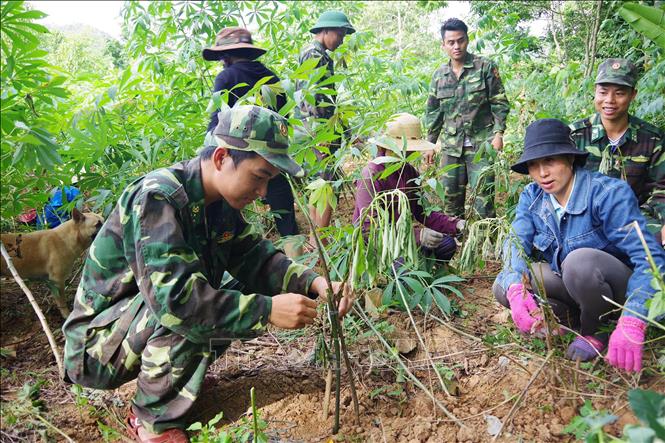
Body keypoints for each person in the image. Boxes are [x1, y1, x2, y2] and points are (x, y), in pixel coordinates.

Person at [62, 106, 353, 443]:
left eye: (269, 181)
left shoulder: (221, 203)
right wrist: (268, 310)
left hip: (132, 328)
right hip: (96, 348)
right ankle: (152, 421)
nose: (262, 193)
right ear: (220, 158)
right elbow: (177, 304)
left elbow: (255, 258)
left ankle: (178, 377)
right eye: (259, 177)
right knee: (190, 305)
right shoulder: (158, 198)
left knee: (235, 290)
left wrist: (316, 283)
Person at [493, 118, 665, 373]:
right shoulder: (533, 197)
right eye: (533, 165)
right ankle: (566, 318)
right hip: (571, 282)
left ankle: (597, 329)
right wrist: (516, 290)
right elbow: (516, 243)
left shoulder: (607, 194)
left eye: (550, 161)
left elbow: (650, 259)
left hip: (616, 288)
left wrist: (634, 318)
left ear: (570, 159)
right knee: (504, 285)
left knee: (579, 263)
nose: (542, 173)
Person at [202, 27, 300, 254]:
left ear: (225, 56)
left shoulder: (226, 77)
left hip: (238, 158)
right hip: (272, 158)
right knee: (286, 221)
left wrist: (207, 157)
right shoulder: (271, 77)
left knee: (228, 220)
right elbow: (283, 118)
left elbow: (218, 121)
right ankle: (298, 265)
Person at [569, 58, 664, 245]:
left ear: (633, 95)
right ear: (595, 92)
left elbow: (661, 190)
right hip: (583, 221)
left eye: (619, 93)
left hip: (635, 221)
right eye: (603, 92)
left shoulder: (652, 139)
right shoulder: (574, 136)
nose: (609, 101)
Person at [425, 18, 509, 219]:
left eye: (460, 40)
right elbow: (434, 112)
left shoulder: (485, 67)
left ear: (467, 40)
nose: (456, 46)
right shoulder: (439, 76)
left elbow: (499, 102)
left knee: (484, 199)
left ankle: (487, 242)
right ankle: (454, 243)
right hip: (451, 147)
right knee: (450, 199)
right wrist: (429, 143)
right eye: (451, 42)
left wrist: (498, 134)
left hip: (481, 144)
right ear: (443, 45)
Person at [353, 113, 464, 262]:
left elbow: (422, 211)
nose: (409, 153)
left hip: (405, 238)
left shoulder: (409, 171)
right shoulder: (370, 175)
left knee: (447, 244)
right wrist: (418, 235)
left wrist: (455, 224)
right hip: (379, 243)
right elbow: (370, 228)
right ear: (385, 146)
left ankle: (423, 267)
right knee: (403, 268)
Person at [295, 10, 355, 244]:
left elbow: (329, 99)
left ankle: (316, 238)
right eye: (340, 34)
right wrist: (322, 134)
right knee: (327, 186)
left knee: (319, 185)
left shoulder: (315, 53)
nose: (341, 40)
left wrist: (346, 130)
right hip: (321, 132)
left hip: (318, 131)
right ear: (327, 30)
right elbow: (313, 97)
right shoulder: (314, 55)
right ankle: (319, 239)